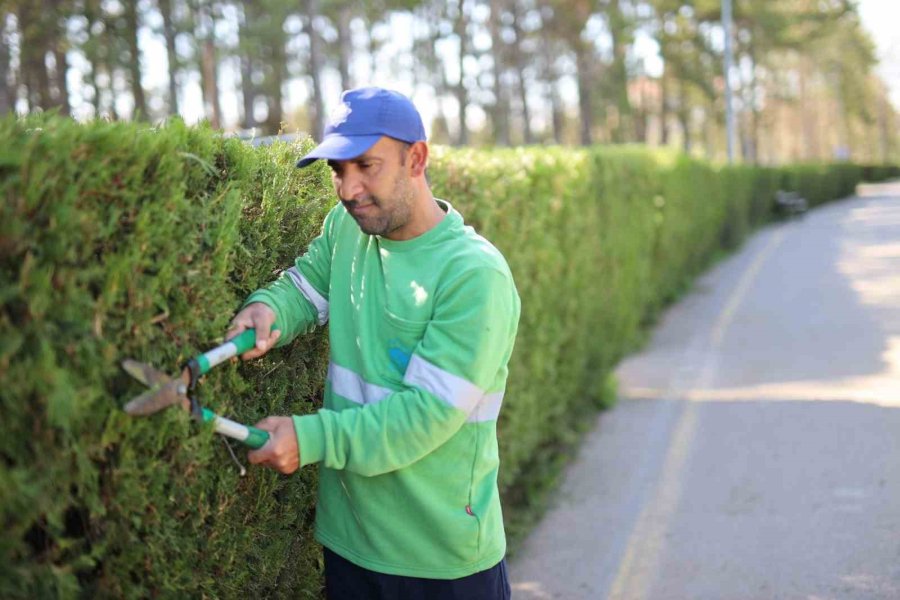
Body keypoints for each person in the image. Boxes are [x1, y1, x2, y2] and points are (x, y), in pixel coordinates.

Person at [226, 86, 520, 600]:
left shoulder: (474, 276)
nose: (348, 188)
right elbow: (306, 289)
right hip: (350, 543)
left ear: (417, 159)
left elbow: (422, 417)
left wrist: (309, 437)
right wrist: (267, 308)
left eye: (367, 165)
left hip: (442, 563)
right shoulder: (347, 228)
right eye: (339, 170)